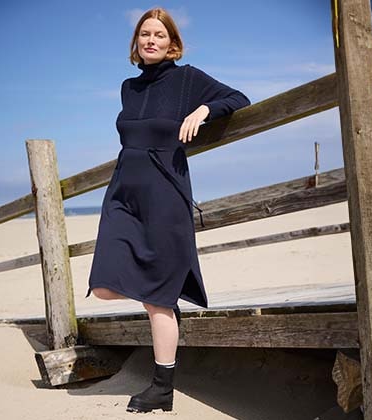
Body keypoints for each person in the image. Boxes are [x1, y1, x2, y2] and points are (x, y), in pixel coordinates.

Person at [85, 7, 250, 413]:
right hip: (123, 194)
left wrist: (203, 110)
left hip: (165, 194)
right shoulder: (129, 87)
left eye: (159, 34)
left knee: (156, 301)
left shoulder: (187, 79)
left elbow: (238, 98)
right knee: (104, 284)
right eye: (145, 34)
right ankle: (165, 303)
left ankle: (162, 387)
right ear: (136, 44)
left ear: (172, 43)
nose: (151, 40)